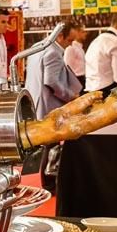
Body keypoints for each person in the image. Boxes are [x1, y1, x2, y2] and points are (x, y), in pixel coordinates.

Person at [24, 23, 83, 183]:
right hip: (48, 104)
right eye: (69, 40)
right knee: (52, 145)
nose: (70, 44)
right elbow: (51, 81)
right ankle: (49, 182)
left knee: (47, 144)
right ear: (60, 36)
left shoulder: (38, 47)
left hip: (35, 101)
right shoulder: (52, 52)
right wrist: (71, 96)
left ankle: (48, 180)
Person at [63, 24, 86, 88]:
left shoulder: (79, 47)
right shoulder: (71, 47)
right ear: (77, 33)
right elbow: (67, 66)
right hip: (76, 79)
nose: (85, 34)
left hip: (82, 78)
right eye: (83, 32)